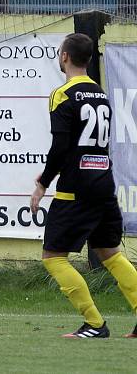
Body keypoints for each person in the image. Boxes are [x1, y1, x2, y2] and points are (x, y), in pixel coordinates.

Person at [30, 33, 137, 339]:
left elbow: (60, 148)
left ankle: (94, 323)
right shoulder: (100, 94)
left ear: (64, 57)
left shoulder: (63, 94)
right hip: (104, 183)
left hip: (76, 189)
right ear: (88, 59)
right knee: (111, 253)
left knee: (53, 256)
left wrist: (42, 184)